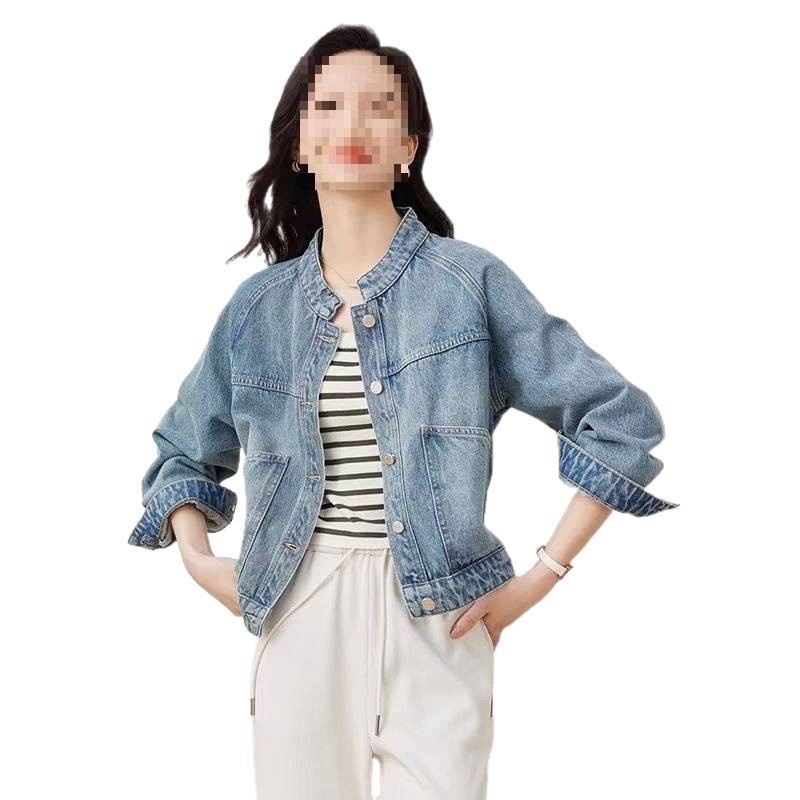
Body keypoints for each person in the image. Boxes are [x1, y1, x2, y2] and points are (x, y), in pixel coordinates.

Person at [128, 24, 679, 800]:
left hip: (441, 616)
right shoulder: (258, 310)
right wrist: (199, 561)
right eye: (329, 106)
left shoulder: (468, 285)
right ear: (301, 144)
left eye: (379, 107)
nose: (353, 124)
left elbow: (620, 418)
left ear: (408, 146)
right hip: (299, 604)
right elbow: (185, 450)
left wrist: (539, 577)